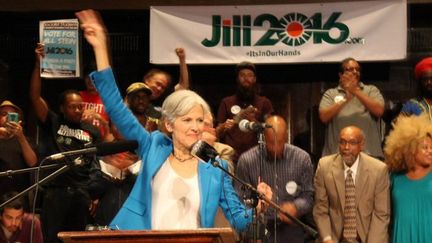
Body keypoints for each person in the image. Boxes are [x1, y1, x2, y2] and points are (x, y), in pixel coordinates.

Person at [76, 9, 272, 231]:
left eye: (200, 121)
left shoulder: (217, 167)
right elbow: (115, 107)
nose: (196, 127)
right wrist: (101, 47)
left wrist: (259, 207)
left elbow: (238, 219)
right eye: (187, 120)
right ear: (169, 124)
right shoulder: (153, 146)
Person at [30, 43, 102, 242]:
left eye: (80, 106)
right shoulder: (54, 121)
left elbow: (96, 164)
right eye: (72, 107)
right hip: (56, 193)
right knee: (53, 239)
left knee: (77, 239)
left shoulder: (91, 130)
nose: (78, 110)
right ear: (62, 108)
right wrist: (38, 64)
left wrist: (94, 194)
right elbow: (35, 97)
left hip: (81, 193)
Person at [235, 115, 314, 243]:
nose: (276, 147)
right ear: (264, 138)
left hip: (292, 228)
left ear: (287, 136)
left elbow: (309, 196)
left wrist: (296, 207)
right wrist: (252, 230)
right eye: (272, 143)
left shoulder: (302, 158)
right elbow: (240, 201)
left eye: (281, 141)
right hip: (259, 226)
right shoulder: (247, 161)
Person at [313, 126, 390, 243]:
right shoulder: (324, 167)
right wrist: (327, 238)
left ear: (362, 145)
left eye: (352, 143)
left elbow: (381, 214)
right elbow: (320, 210)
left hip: (367, 239)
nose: (346, 148)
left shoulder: (378, 170)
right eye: (342, 142)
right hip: (334, 239)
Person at [319, 57, 385, 159]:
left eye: (357, 69)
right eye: (350, 69)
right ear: (341, 75)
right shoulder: (331, 93)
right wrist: (346, 98)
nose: (355, 72)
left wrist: (355, 91)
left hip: (369, 155)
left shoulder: (371, 90)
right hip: (337, 156)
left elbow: (379, 111)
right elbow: (324, 116)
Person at [383, 115, 432, 243]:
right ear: (410, 148)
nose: (430, 151)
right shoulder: (395, 177)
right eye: (425, 147)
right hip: (402, 236)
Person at [216, 61, 274, 164]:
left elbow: (271, 131)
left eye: (249, 75)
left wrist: (254, 121)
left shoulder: (264, 102)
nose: (246, 78)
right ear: (237, 79)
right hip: (231, 159)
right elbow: (216, 133)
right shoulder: (226, 102)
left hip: (256, 159)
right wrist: (224, 126)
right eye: (242, 75)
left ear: (254, 79)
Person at [0, 100, 38, 203]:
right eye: (3, 114)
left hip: (19, 195)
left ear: (19, 120)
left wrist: (20, 137)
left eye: (11, 115)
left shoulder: (26, 140)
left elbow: (32, 162)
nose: (7, 118)